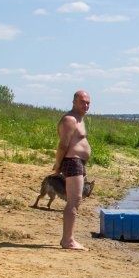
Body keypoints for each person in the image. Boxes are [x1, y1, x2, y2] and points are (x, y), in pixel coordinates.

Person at [52, 90, 92, 250]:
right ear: (74, 101)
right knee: (74, 202)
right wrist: (57, 164)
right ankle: (68, 240)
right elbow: (63, 145)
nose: (86, 105)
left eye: (88, 102)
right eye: (83, 102)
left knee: (75, 201)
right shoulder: (70, 119)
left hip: (78, 163)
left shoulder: (80, 119)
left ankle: (68, 239)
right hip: (72, 162)